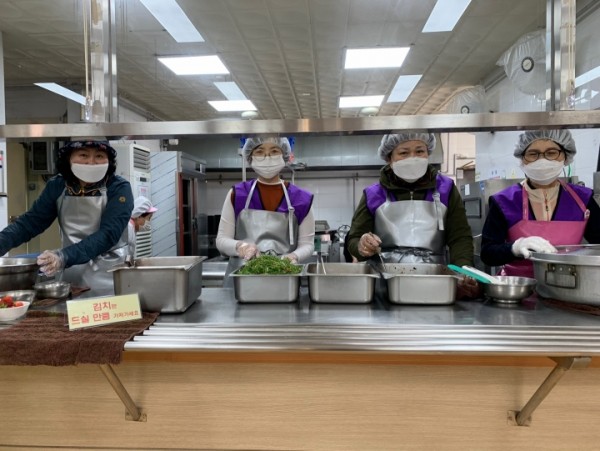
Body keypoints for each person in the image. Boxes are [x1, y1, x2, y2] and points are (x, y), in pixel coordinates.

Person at [346, 133, 477, 298]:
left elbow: (460, 237)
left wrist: (463, 272)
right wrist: (362, 245)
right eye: (404, 153)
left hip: (436, 282)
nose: (413, 158)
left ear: (428, 153)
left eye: (420, 151)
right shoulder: (373, 194)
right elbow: (354, 238)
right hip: (385, 286)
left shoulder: (446, 189)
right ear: (389, 158)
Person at [0, 137, 134, 298]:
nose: (91, 162)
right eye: (83, 155)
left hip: (111, 277)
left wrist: (63, 256)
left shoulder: (118, 187)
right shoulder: (58, 185)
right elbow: (30, 223)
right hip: (73, 273)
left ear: (109, 160)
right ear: (68, 157)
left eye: (99, 156)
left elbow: (108, 234)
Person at [480, 129, 600, 277]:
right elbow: (487, 254)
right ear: (522, 159)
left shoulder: (583, 199)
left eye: (551, 152)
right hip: (519, 286)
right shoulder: (504, 201)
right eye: (533, 154)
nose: (542, 160)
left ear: (565, 156)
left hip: (568, 285)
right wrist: (515, 248)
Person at [216, 137, 315, 281]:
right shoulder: (237, 194)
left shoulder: (301, 199)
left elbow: (307, 245)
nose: (267, 157)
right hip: (242, 280)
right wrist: (241, 246)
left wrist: (293, 256)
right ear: (250, 156)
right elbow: (221, 240)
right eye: (260, 151)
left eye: (274, 151)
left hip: (284, 277)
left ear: (284, 155)